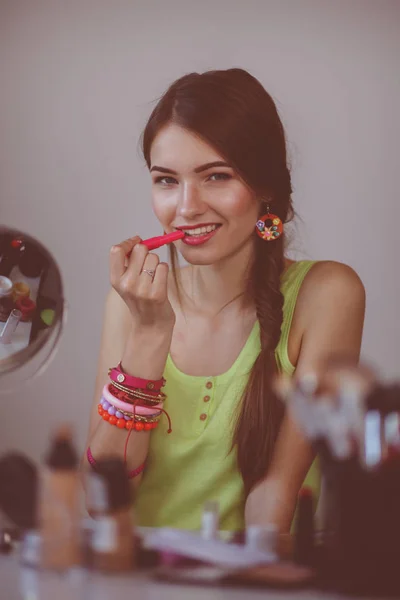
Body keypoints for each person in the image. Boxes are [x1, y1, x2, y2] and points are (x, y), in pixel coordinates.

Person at [83, 68, 365, 533]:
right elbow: (103, 501)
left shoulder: (328, 294)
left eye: (216, 176)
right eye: (166, 181)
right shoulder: (132, 303)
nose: (187, 206)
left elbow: (274, 504)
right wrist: (151, 335)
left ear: (266, 186)